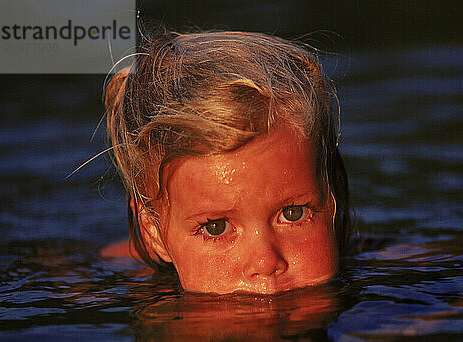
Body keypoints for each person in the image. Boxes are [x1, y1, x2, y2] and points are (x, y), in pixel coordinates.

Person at [101, 30, 350, 294]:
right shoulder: (105, 282)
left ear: (331, 196)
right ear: (154, 234)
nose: (265, 263)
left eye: (294, 213)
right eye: (215, 227)